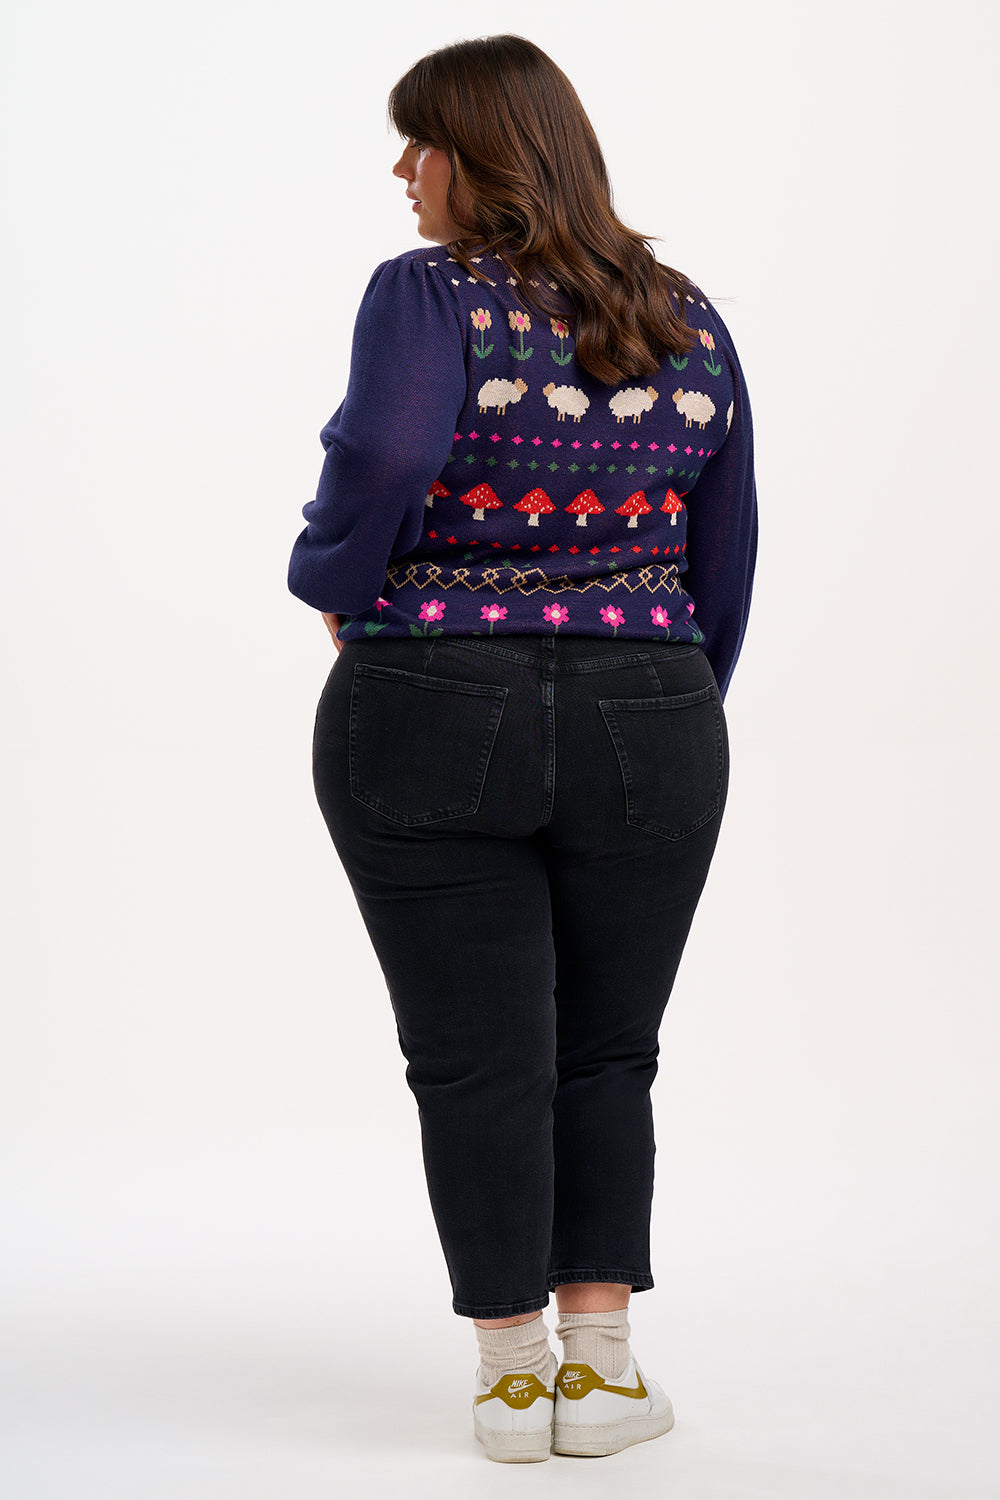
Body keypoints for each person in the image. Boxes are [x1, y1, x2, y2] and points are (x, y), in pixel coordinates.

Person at [287, 34, 757, 1464]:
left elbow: (380, 457)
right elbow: (725, 539)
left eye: (416, 143)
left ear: (474, 157)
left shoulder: (427, 294)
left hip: (432, 695)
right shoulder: (685, 313)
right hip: (653, 710)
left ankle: (509, 1378)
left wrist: (335, 581)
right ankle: (603, 1375)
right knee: (609, 1049)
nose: (399, 172)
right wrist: (675, 687)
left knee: (474, 1055)